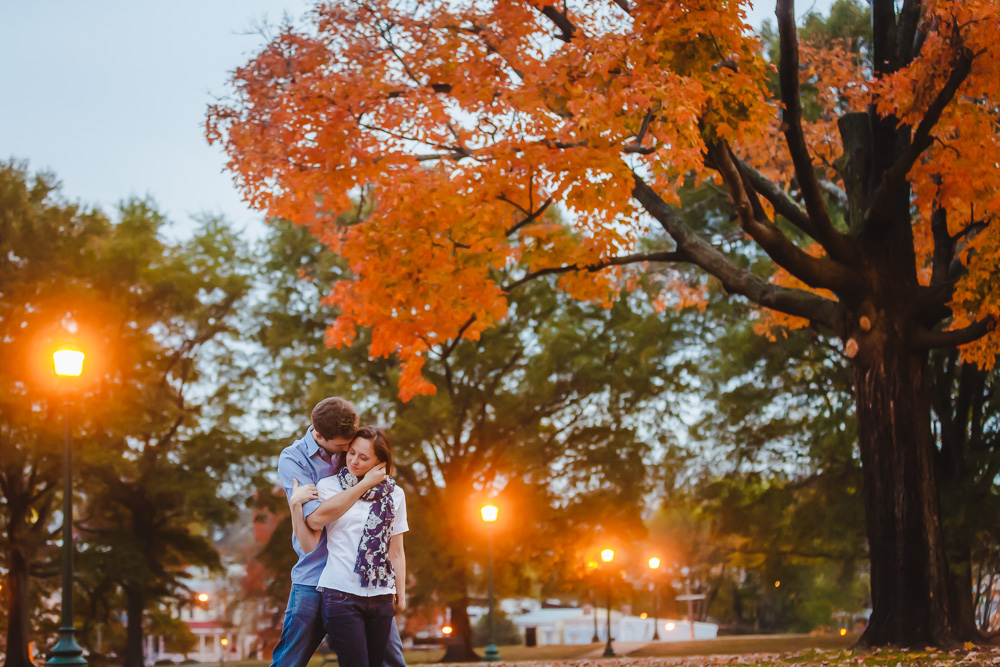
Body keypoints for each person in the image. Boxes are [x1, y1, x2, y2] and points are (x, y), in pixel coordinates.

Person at [272, 398, 406, 667]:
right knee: (291, 658)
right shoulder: (294, 459)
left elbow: (394, 544)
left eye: (354, 448)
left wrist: (399, 591)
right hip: (314, 574)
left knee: (391, 659)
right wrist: (361, 486)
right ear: (319, 435)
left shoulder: (351, 447)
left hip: (363, 579)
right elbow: (314, 520)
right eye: (344, 448)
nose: (348, 455)